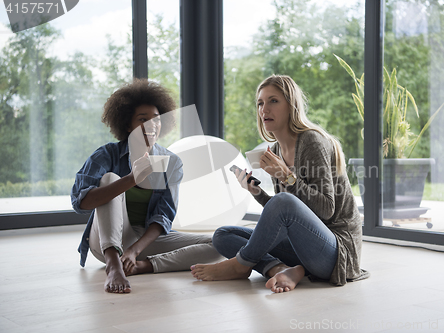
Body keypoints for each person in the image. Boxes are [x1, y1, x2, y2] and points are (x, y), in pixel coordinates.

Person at [191, 75, 369, 292]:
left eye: (273, 101)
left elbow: (326, 210)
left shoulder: (312, 141)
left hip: (336, 252)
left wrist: (286, 176)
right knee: (223, 235)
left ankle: (241, 264)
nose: (264, 109)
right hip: (304, 246)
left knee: (282, 200)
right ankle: (280, 268)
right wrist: (256, 192)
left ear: (291, 105)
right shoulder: (275, 150)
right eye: (260, 103)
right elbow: (284, 216)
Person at [72, 79, 222, 294]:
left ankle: (143, 266)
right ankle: (114, 265)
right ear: (127, 124)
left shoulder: (171, 162)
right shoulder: (107, 155)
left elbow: (164, 215)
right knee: (111, 180)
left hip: (143, 240)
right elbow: (81, 202)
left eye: (156, 120)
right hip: (105, 242)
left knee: (218, 244)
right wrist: (131, 179)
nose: (151, 126)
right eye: (143, 119)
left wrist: (134, 250)